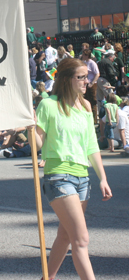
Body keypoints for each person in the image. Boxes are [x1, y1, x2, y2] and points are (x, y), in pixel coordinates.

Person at [34, 58, 112, 280]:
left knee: (65, 235)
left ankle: (47, 278)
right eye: (81, 77)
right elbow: (38, 143)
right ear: (67, 80)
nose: (87, 81)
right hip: (58, 176)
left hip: (82, 178)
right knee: (81, 239)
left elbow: (91, 145)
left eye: (86, 76)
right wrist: (32, 127)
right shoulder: (48, 104)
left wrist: (102, 178)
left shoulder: (86, 106)